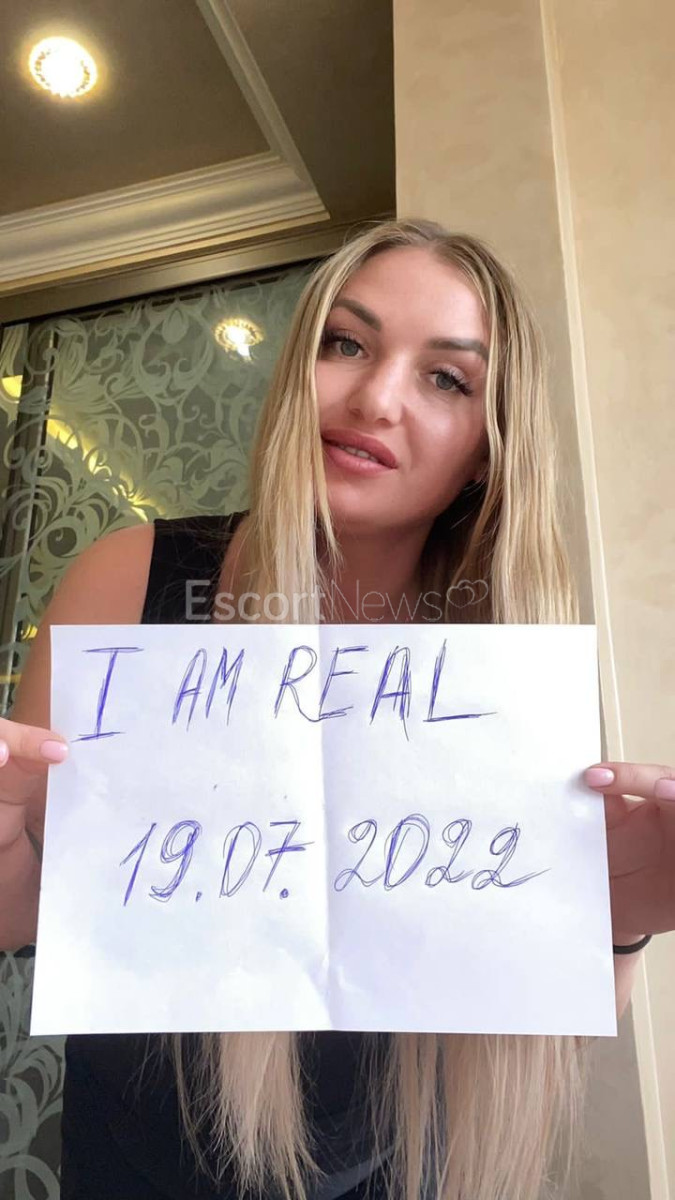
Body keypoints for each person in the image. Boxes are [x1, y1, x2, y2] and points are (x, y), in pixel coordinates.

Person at [1, 217, 673, 1200]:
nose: (375, 399)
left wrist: (620, 917)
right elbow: (27, 914)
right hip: (144, 1161)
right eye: (346, 344)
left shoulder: (501, 662)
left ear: (486, 449)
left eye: (446, 378)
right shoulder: (132, 578)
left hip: (413, 1169)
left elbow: (538, 1032)